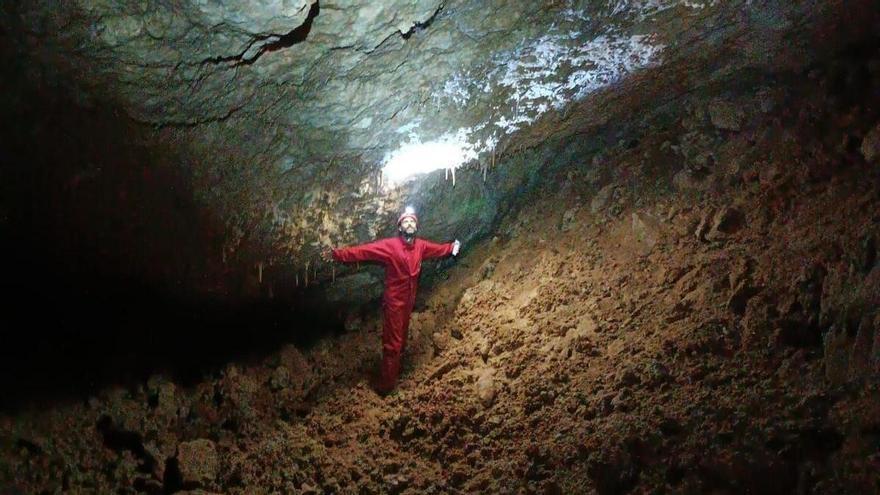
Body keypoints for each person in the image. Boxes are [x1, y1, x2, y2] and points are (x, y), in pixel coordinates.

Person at [321, 207, 461, 395]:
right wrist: (337, 254)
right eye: (406, 221)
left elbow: (437, 249)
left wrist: (452, 248)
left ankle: (396, 366)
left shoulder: (420, 246)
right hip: (395, 302)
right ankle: (386, 385)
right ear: (400, 227)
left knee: (402, 336)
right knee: (392, 344)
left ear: (416, 226)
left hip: (409, 300)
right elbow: (364, 252)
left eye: (412, 221)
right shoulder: (390, 246)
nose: (410, 224)